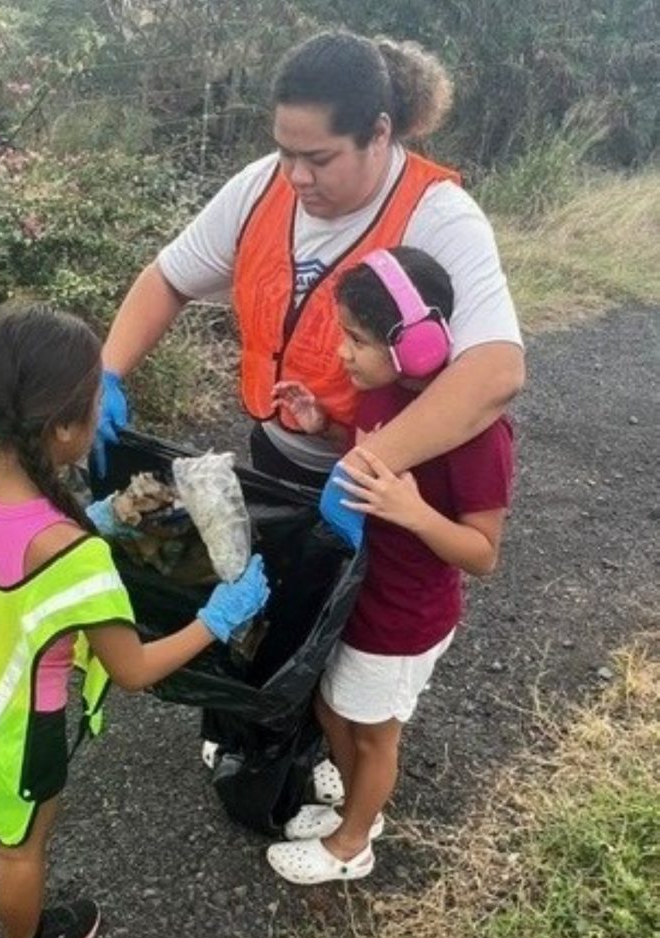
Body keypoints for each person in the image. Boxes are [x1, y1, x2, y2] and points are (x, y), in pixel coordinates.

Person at [96, 29, 523, 798]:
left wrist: (363, 463)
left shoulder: (438, 215)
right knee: (272, 606)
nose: (296, 176)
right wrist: (107, 373)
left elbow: (495, 372)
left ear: (379, 134)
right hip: (282, 453)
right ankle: (270, 730)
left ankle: (338, 754)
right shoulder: (262, 188)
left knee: (348, 631)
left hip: (374, 487)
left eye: (319, 158)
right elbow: (168, 278)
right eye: (284, 151)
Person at [0, 302, 270, 938]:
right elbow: (132, 669)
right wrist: (217, 619)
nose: (103, 407)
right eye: (95, 399)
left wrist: (93, 516)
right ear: (62, 427)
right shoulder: (75, 559)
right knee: (19, 846)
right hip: (17, 724)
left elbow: (6, 545)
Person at [264, 246, 515, 884]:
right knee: (331, 709)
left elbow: (483, 554)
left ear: (416, 345)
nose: (342, 353)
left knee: (375, 734)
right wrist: (324, 426)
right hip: (362, 596)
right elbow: (370, 456)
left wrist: (414, 513)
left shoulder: (480, 435)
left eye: (356, 339)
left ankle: (354, 841)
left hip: (406, 617)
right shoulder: (380, 393)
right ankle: (356, 800)